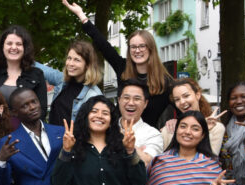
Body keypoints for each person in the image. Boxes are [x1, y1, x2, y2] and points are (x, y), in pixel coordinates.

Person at [63, 0, 173, 128]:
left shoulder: (165, 80)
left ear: (151, 48)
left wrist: (174, 119)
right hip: (117, 133)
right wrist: (82, 16)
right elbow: (103, 44)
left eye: (142, 46)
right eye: (133, 47)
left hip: (146, 138)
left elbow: (183, 102)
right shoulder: (123, 67)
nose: (137, 51)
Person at [0, 25, 48, 128]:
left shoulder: (36, 74)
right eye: (9, 43)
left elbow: (42, 109)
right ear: (2, 47)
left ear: (25, 48)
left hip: (25, 133)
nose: (14, 47)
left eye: (19, 44)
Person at [34, 40, 102, 125]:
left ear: (88, 65)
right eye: (69, 58)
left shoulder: (94, 95)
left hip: (72, 138)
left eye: (77, 60)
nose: (70, 63)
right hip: (53, 136)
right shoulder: (62, 80)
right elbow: (38, 67)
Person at [161, 78, 226, 155]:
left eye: (186, 96)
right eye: (177, 99)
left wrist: (204, 130)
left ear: (198, 95)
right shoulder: (169, 129)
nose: (182, 102)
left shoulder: (216, 128)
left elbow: (209, 161)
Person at [116, 79, 163, 164]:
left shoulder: (153, 134)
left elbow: (148, 162)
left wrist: (131, 146)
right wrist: (139, 152)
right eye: (126, 98)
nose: (131, 103)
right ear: (119, 100)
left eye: (137, 99)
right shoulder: (107, 128)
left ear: (145, 103)